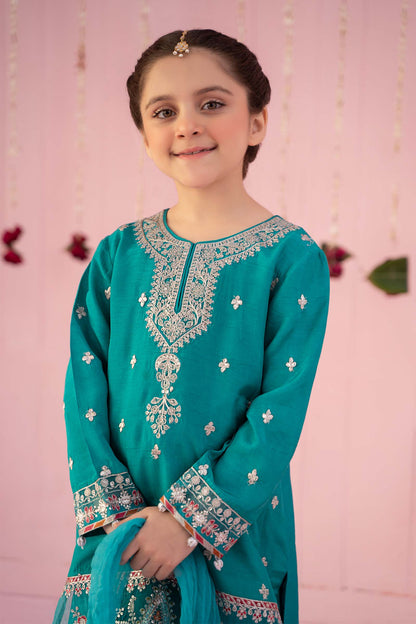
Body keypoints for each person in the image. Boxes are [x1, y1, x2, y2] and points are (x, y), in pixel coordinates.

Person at [53, 29, 329, 624]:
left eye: (211, 103)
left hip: (234, 533)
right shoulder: (118, 254)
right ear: (145, 135)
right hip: (120, 533)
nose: (187, 126)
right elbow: (83, 389)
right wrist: (125, 520)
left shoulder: (290, 256)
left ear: (256, 122)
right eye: (164, 112)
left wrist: (186, 522)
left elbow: (280, 408)